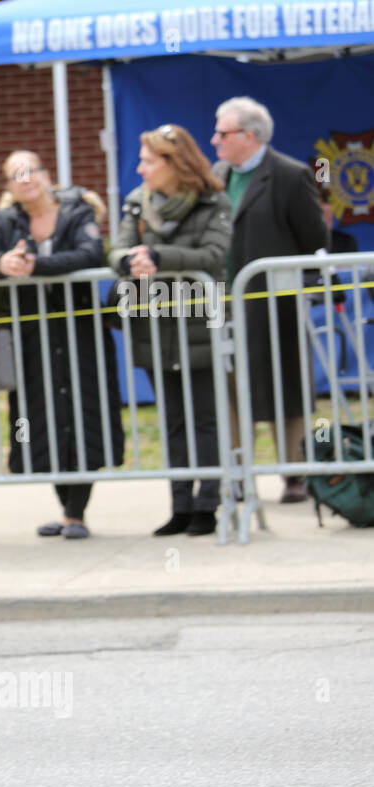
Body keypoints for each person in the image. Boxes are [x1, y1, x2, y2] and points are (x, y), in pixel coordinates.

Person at [0, 150, 121, 539]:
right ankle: (67, 509)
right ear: (9, 186)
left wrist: (34, 265)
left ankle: (76, 513)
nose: (24, 178)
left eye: (30, 170)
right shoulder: (8, 220)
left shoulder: (77, 210)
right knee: (44, 415)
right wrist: (3, 263)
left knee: (83, 413)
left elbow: (90, 254)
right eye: (14, 174)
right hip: (34, 339)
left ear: (46, 174)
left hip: (81, 333)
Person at [109, 124, 233, 537]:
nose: (141, 168)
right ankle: (180, 504)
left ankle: (208, 504)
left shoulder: (212, 201)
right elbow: (117, 249)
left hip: (199, 324)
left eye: (148, 161)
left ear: (172, 163)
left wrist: (161, 256)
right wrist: (131, 262)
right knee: (174, 420)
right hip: (154, 326)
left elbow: (213, 255)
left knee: (205, 418)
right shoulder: (135, 203)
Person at [211, 96, 328, 504]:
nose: (215, 141)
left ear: (249, 135)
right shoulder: (217, 175)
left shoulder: (289, 175)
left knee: (286, 385)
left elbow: (315, 239)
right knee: (231, 386)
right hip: (226, 303)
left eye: (222, 133)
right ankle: (239, 471)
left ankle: (294, 472)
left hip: (275, 303)